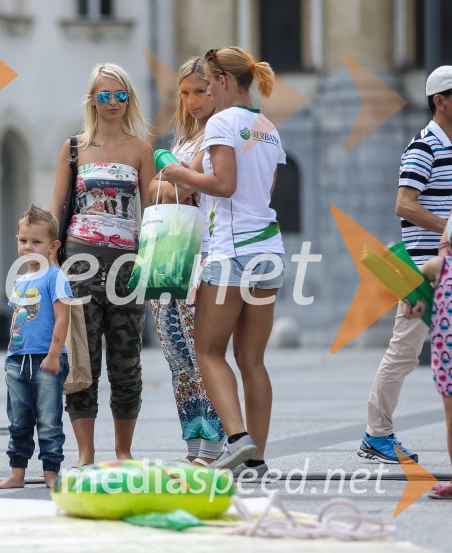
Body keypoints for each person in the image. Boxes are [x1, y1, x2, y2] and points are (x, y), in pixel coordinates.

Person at [161, 46, 286, 477]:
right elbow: (263, 191)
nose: (208, 91)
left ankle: (236, 438)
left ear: (225, 82)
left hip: (231, 252)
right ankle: (257, 460)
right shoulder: (267, 126)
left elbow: (224, 184)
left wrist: (180, 174)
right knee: (253, 359)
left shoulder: (221, 121)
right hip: (270, 249)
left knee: (208, 350)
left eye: (211, 83)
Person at [50, 62, 154, 467]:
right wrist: (48, 258)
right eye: (105, 95)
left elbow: (152, 211)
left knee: (126, 361)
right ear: (93, 99)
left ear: (129, 99)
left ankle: (123, 451)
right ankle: (85, 453)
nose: (113, 103)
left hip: (127, 266)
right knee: (82, 358)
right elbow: (57, 205)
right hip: (79, 261)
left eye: (120, 95)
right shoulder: (74, 148)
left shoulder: (140, 149)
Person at [358, 65, 452, 464]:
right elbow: (404, 204)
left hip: (444, 267)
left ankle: (376, 435)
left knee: (408, 351)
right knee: (404, 351)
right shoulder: (424, 146)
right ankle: (377, 435)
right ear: (440, 101)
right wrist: (449, 226)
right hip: (420, 270)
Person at [148, 56, 224, 467]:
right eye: (185, 93)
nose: (192, 100)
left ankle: (217, 438)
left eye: (199, 91)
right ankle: (193, 438)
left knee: (201, 352)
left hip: (207, 253)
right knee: (176, 354)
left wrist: (173, 180)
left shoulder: (221, 133)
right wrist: (174, 181)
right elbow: (159, 186)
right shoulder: (182, 140)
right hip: (172, 252)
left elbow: (185, 184)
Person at [0, 206, 71, 490]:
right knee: (18, 420)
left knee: (49, 421)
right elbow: (18, 320)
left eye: (36, 242)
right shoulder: (20, 281)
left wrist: (53, 355)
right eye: (23, 240)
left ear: (52, 246)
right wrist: (9, 356)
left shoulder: (55, 277)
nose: (28, 247)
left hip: (46, 359)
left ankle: (51, 473)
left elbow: (63, 318)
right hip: (17, 360)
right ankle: (17, 473)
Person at [401, 218, 452, 497]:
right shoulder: (439, 267)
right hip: (448, 356)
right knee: (451, 421)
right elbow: (412, 299)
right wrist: (415, 306)